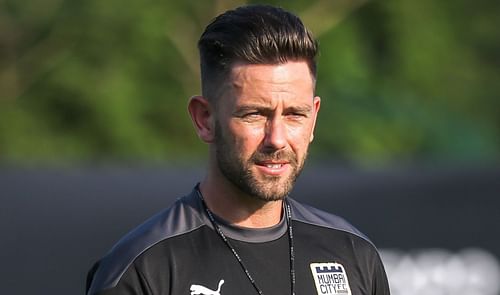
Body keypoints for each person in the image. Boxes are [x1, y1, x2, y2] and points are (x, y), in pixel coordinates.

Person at [86, 5, 390, 295]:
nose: (277, 139)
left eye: (295, 115)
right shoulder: (143, 269)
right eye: (254, 115)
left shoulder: (353, 254)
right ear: (204, 119)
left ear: (314, 118)